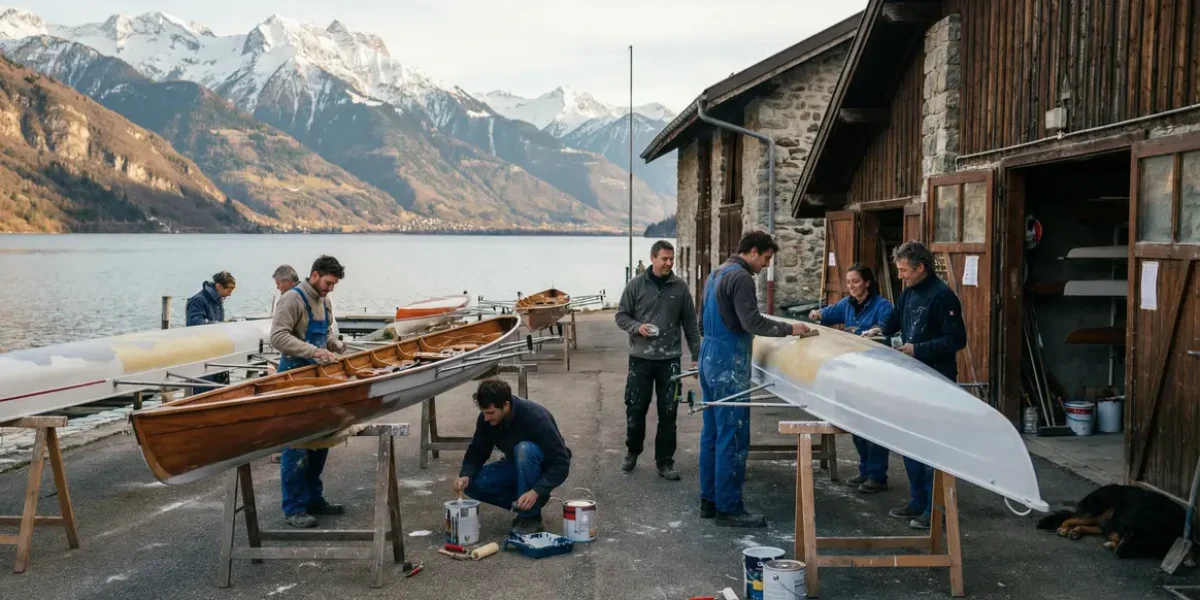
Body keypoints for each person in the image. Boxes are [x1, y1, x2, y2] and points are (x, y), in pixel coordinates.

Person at [699, 230, 811, 528]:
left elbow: (701, 321)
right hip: (728, 362)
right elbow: (752, 322)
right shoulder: (742, 278)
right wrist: (791, 330)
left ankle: (709, 500)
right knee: (733, 436)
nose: (766, 265)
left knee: (711, 433)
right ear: (752, 251)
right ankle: (729, 507)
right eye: (766, 258)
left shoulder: (716, 274)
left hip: (708, 357)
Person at [863, 241, 967, 530]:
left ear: (921, 267)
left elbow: (956, 340)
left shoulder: (943, 297)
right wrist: (881, 329)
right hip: (910, 377)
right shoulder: (909, 292)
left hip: (936, 379)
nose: (901, 276)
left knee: (932, 447)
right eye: (898, 270)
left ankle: (936, 511)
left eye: (904, 270)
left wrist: (917, 349)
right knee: (909, 441)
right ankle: (917, 500)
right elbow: (896, 318)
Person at [269, 255, 349, 528]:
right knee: (296, 445)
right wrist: (313, 351)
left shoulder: (324, 302)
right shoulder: (292, 299)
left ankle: (314, 499)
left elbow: (324, 333)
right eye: (328, 282)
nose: (330, 288)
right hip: (293, 377)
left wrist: (333, 344)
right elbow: (278, 337)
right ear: (315, 275)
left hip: (318, 378)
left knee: (319, 442)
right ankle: (293, 508)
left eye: (333, 285)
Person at [614, 240, 701, 481]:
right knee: (635, 409)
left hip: (670, 361)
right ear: (652, 258)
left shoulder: (680, 288)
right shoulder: (635, 285)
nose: (669, 263)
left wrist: (697, 358)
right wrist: (637, 327)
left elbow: (691, 328)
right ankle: (633, 450)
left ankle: (665, 462)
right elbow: (621, 316)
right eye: (664, 259)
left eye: (671, 259)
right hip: (640, 360)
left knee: (669, 412)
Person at [808, 264, 895, 494]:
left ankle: (877, 475)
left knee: (874, 426)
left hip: (875, 375)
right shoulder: (846, 305)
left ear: (867, 282)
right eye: (848, 283)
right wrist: (816, 315)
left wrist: (868, 332)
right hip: (851, 373)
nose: (851, 286)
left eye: (855, 282)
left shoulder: (883, 306)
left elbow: (886, 330)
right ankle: (865, 470)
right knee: (855, 424)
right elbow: (826, 314)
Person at [453, 378, 572, 534]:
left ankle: (530, 517)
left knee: (524, 449)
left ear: (506, 405)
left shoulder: (535, 417)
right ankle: (524, 502)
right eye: (484, 413)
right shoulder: (486, 419)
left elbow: (561, 462)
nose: (487, 418)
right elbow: (477, 450)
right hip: (517, 465)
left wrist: (536, 490)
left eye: (490, 413)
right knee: (474, 483)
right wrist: (466, 475)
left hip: (543, 466)